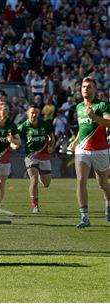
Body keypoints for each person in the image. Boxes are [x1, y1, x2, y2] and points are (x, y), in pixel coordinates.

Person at [68, 77, 110, 228]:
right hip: (82, 149)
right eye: (84, 86)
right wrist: (75, 140)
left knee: (103, 183)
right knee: (80, 180)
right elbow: (82, 127)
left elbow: (109, 122)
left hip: (101, 150)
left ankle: (108, 203)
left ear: (95, 89)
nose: (86, 89)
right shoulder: (79, 106)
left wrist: (94, 117)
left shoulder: (103, 105)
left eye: (89, 86)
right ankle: (84, 217)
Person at [18, 104, 55, 213]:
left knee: (46, 184)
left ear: (38, 114)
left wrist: (51, 146)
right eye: (32, 112)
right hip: (31, 156)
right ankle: (35, 206)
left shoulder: (45, 124)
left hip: (44, 156)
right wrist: (13, 142)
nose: (34, 114)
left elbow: (52, 136)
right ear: (27, 113)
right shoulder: (23, 126)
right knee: (33, 179)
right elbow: (16, 137)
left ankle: (41, 176)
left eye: (36, 113)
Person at [0, 101, 21, 214]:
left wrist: (12, 141)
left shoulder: (12, 126)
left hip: (5, 158)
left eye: (7, 109)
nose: (6, 111)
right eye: (3, 108)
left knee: (2, 184)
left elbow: (18, 142)